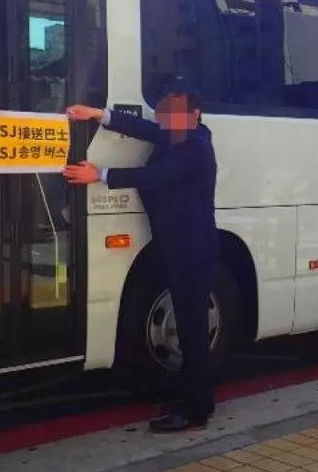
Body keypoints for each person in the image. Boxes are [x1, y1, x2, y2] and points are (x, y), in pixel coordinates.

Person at [64, 82, 219, 433]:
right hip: (186, 249)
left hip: (190, 253)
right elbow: (144, 128)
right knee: (192, 330)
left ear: (195, 115)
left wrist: (99, 175)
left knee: (192, 333)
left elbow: (154, 177)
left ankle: (193, 411)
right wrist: (98, 114)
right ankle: (200, 400)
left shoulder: (194, 147)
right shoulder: (181, 135)